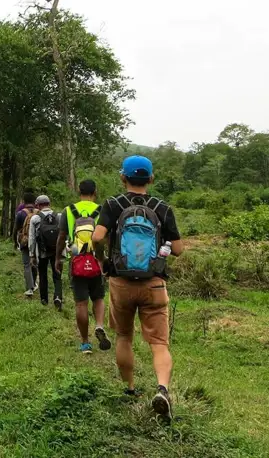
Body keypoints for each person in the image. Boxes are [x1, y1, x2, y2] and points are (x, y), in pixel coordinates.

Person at [92, 155, 184, 421]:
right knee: (159, 343)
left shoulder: (112, 204)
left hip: (120, 281)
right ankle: (163, 390)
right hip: (153, 283)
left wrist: (103, 261)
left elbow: (97, 237)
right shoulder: (162, 208)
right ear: (151, 179)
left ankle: (130, 389)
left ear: (123, 177)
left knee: (123, 336)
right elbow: (177, 250)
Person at [55, 179, 110, 354]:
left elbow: (62, 236)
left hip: (77, 261)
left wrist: (58, 258)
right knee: (99, 298)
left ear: (79, 191)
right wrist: (103, 261)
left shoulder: (68, 211)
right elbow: (104, 239)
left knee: (81, 303)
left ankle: (85, 343)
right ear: (95, 191)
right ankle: (99, 325)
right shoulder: (101, 211)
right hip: (96, 261)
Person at [28, 195, 63, 309]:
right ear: (49, 203)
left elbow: (32, 239)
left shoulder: (35, 218)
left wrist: (32, 254)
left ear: (38, 205)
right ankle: (58, 296)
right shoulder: (59, 216)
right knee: (57, 275)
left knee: (43, 275)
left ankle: (44, 300)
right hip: (56, 251)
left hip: (42, 252)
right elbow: (64, 235)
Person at [12, 192, 39, 297]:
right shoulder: (39, 212)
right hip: (36, 242)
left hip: (25, 241)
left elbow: (15, 229)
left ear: (24, 201)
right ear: (34, 202)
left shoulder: (21, 213)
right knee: (34, 263)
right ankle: (34, 284)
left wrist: (15, 242)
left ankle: (29, 288)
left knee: (26, 264)